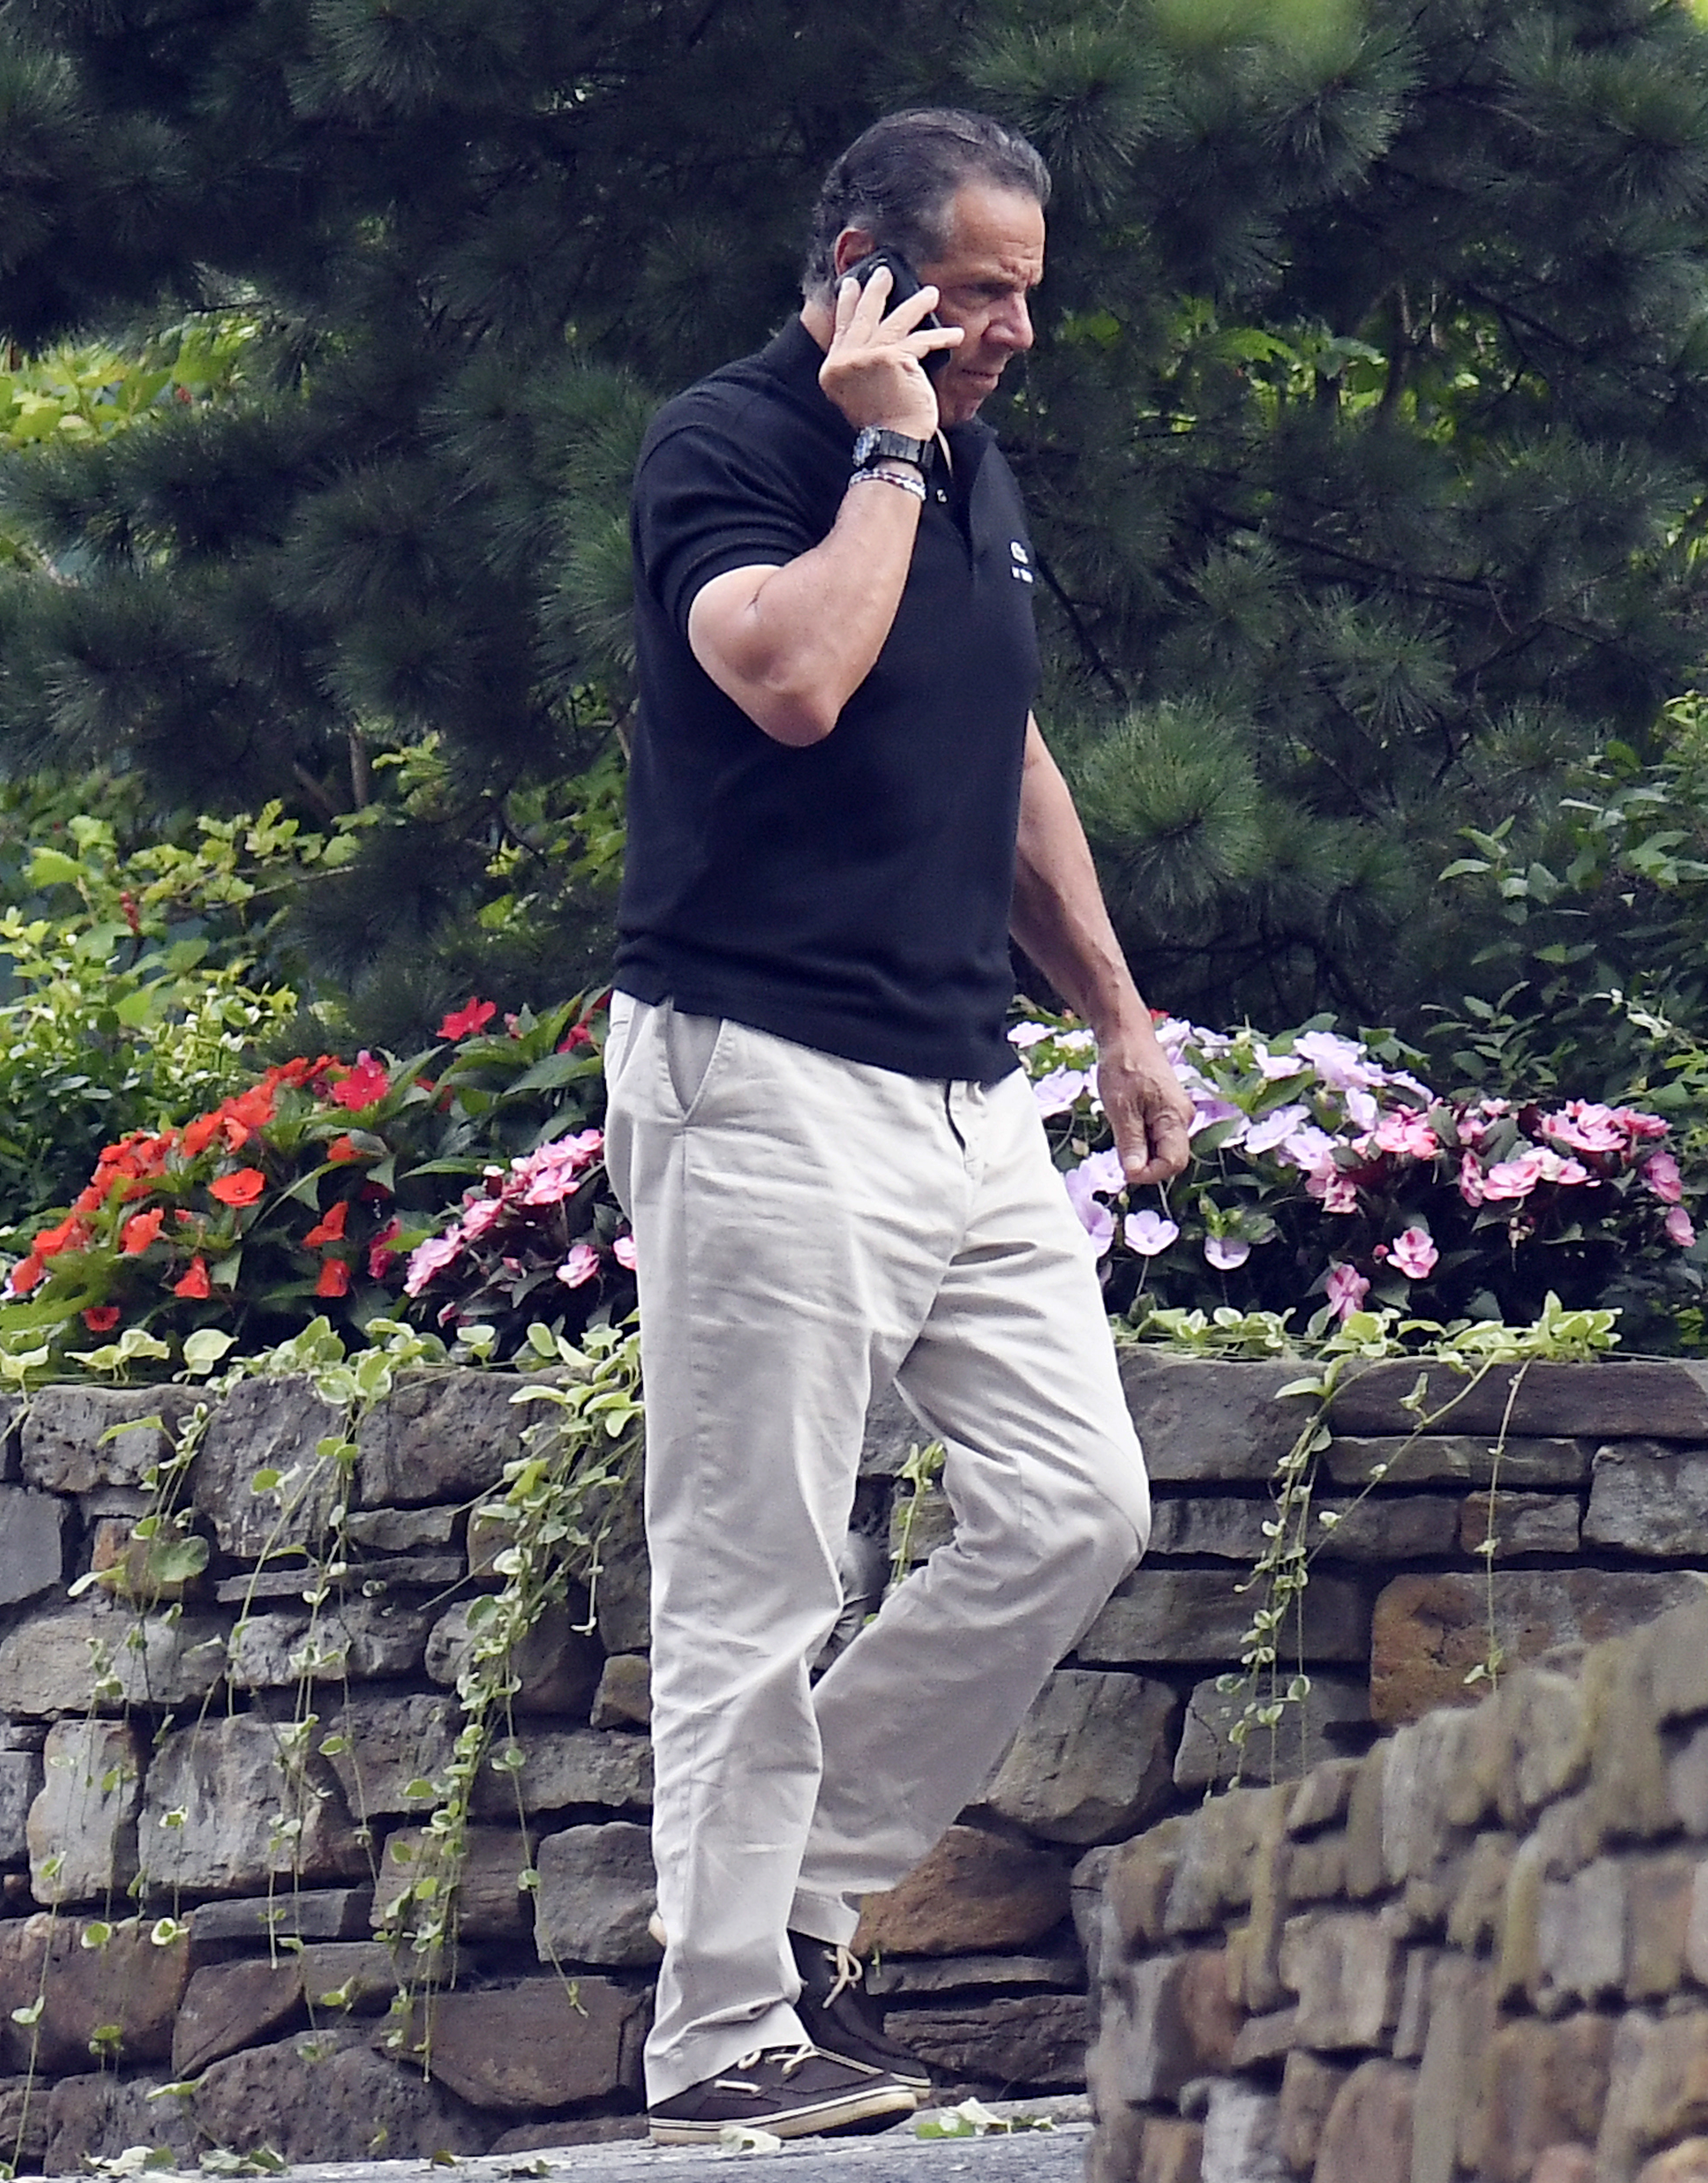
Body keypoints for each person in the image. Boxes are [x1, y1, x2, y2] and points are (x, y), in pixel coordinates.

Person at [603, 107, 1192, 2144]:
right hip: (756, 1072)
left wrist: (1113, 1011)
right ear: (864, 267)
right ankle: (713, 2032)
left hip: (961, 1085)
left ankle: (798, 1917)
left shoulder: (972, 459)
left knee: (1072, 1505)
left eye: (1032, 287)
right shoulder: (736, 443)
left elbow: (993, 730)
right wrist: (879, 440)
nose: (1023, 326)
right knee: (757, 1571)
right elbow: (789, 673)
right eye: (985, 288)